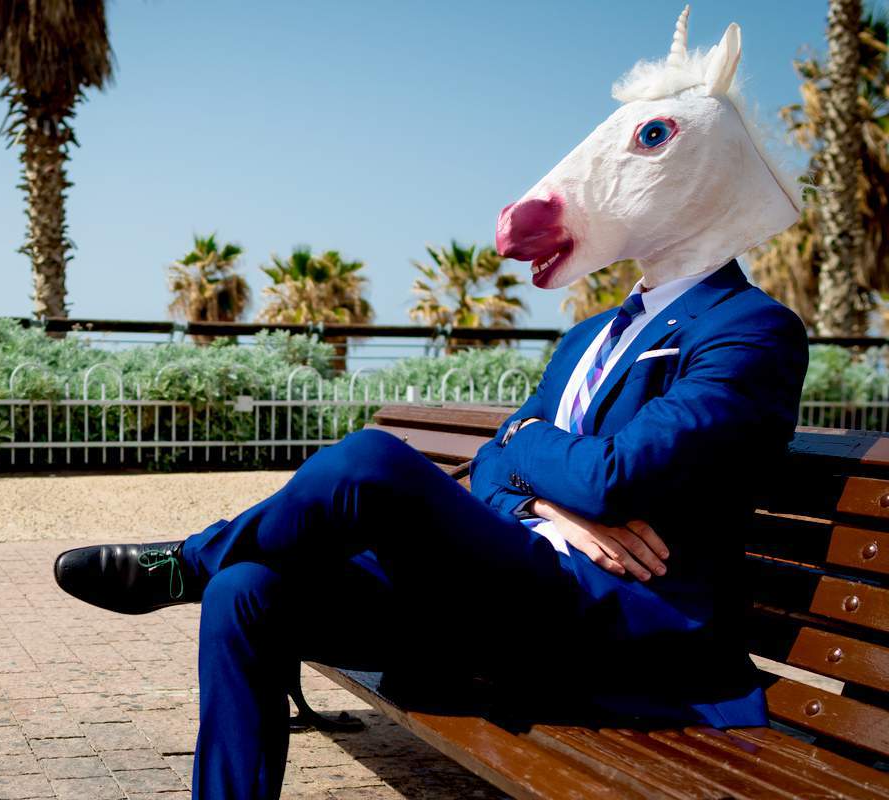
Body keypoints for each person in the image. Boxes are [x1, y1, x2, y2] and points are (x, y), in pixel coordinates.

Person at [54, 8, 810, 797]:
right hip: (509, 593)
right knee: (249, 591)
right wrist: (541, 507)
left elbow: (616, 476)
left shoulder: (752, 331)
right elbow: (494, 465)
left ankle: (184, 562)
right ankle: (213, 583)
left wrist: (529, 447)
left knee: (370, 461)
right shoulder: (590, 334)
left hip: (611, 629)